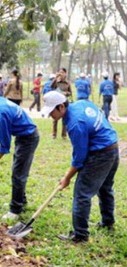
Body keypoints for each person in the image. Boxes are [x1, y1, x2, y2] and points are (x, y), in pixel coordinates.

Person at [41, 91, 119, 243]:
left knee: (82, 194)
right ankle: (108, 222)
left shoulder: (75, 123)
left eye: (52, 112)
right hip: (113, 147)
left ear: (61, 107)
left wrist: (66, 178)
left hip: (100, 154)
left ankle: (80, 235)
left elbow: (79, 158)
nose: (50, 115)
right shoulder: (82, 103)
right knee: (105, 188)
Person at [50, 67, 72, 139]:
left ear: (65, 73)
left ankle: (64, 134)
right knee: (55, 118)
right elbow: (51, 86)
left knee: (64, 118)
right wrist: (56, 78)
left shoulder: (67, 83)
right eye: (60, 72)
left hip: (64, 102)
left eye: (62, 72)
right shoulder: (57, 82)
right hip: (56, 101)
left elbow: (70, 93)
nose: (61, 74)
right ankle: (54, 134)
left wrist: (66, 93)